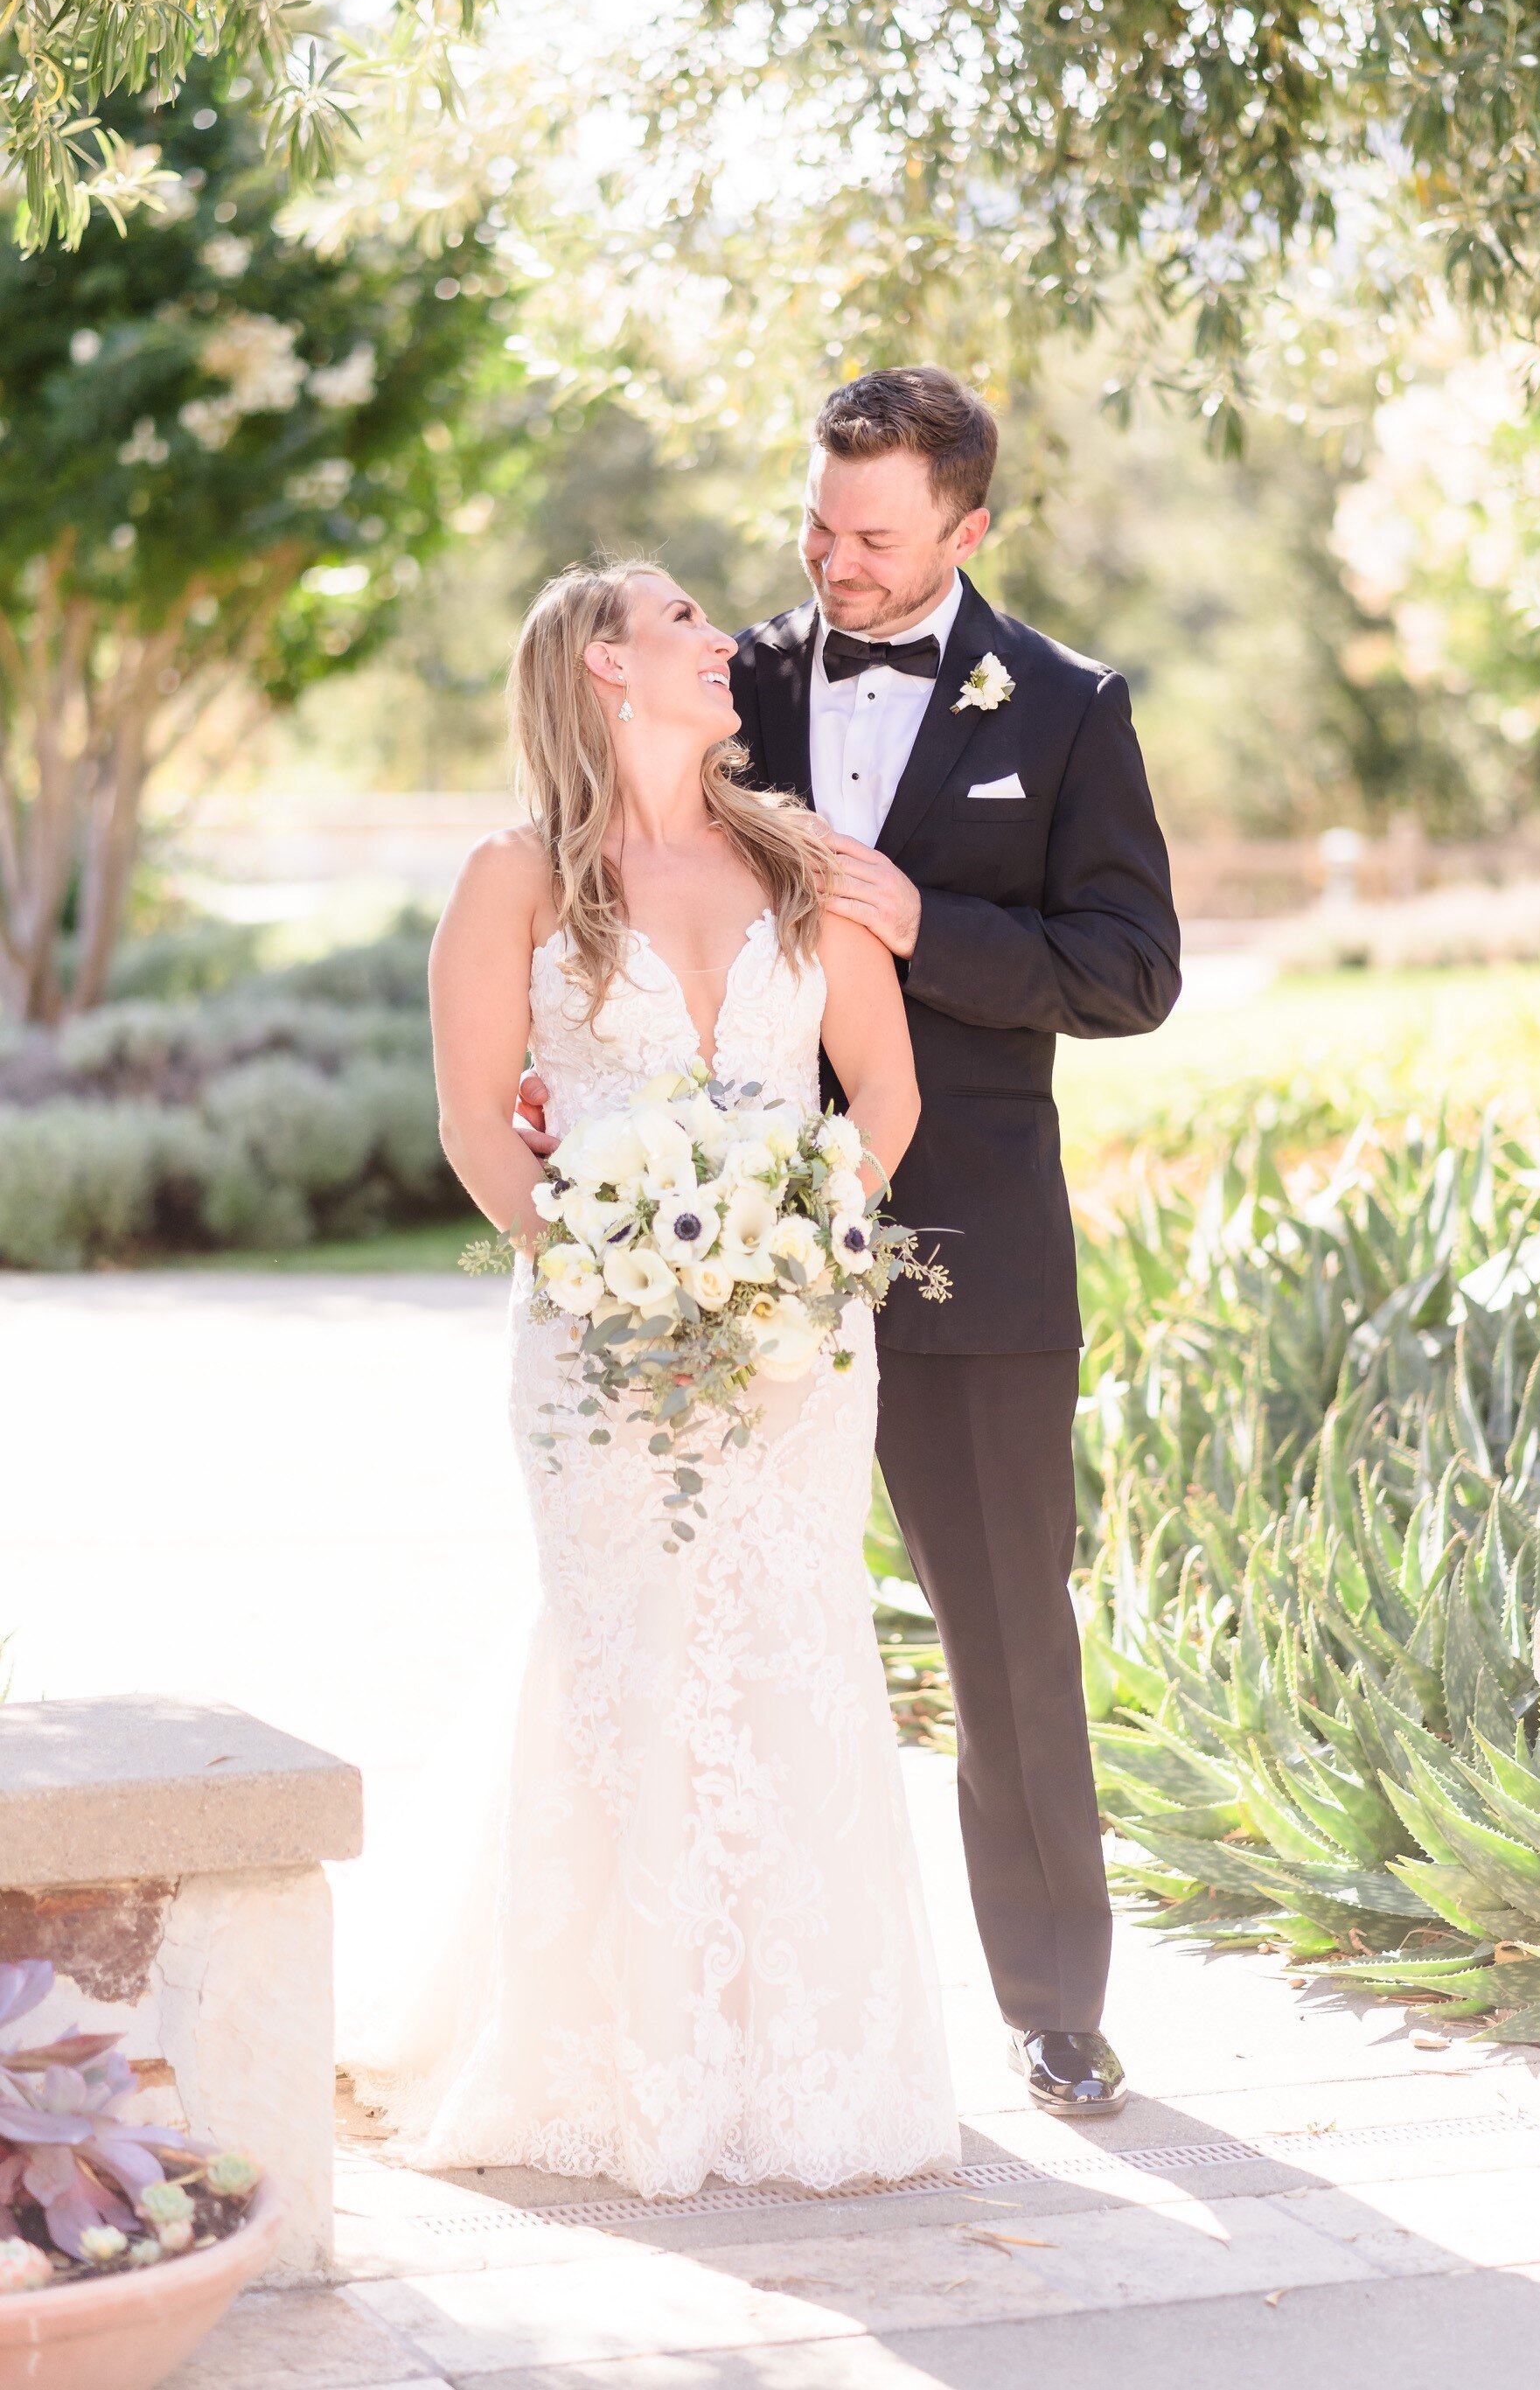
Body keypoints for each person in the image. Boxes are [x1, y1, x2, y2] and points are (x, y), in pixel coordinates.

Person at [518, 369, 1181, 2118]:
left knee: (1005, 1645)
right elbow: (594, 875)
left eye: (875, 538)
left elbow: (1131, 973)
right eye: (817, 523)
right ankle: (685, 2018)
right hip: (702, 1272)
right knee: (708, 1627)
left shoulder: (1064, 711)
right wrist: (572, 1106)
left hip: (964, 1253)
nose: (834, 564)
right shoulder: (729, 676)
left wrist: (925, 921)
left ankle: (1054, 2006)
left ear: (968, 529)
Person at [348, 560, 958, 2197]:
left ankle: (803, 2059)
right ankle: (613, 2059)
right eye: (687, 618)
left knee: (787, 1642)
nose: (724, 639)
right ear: (606, 668)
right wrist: (594, 1259)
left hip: (796, 1340)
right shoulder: (516, 879)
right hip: (600, 1338)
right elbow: (478, 1119)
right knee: (628, 1645)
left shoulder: (799, 863)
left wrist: (801, 1238)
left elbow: (880, 1095)